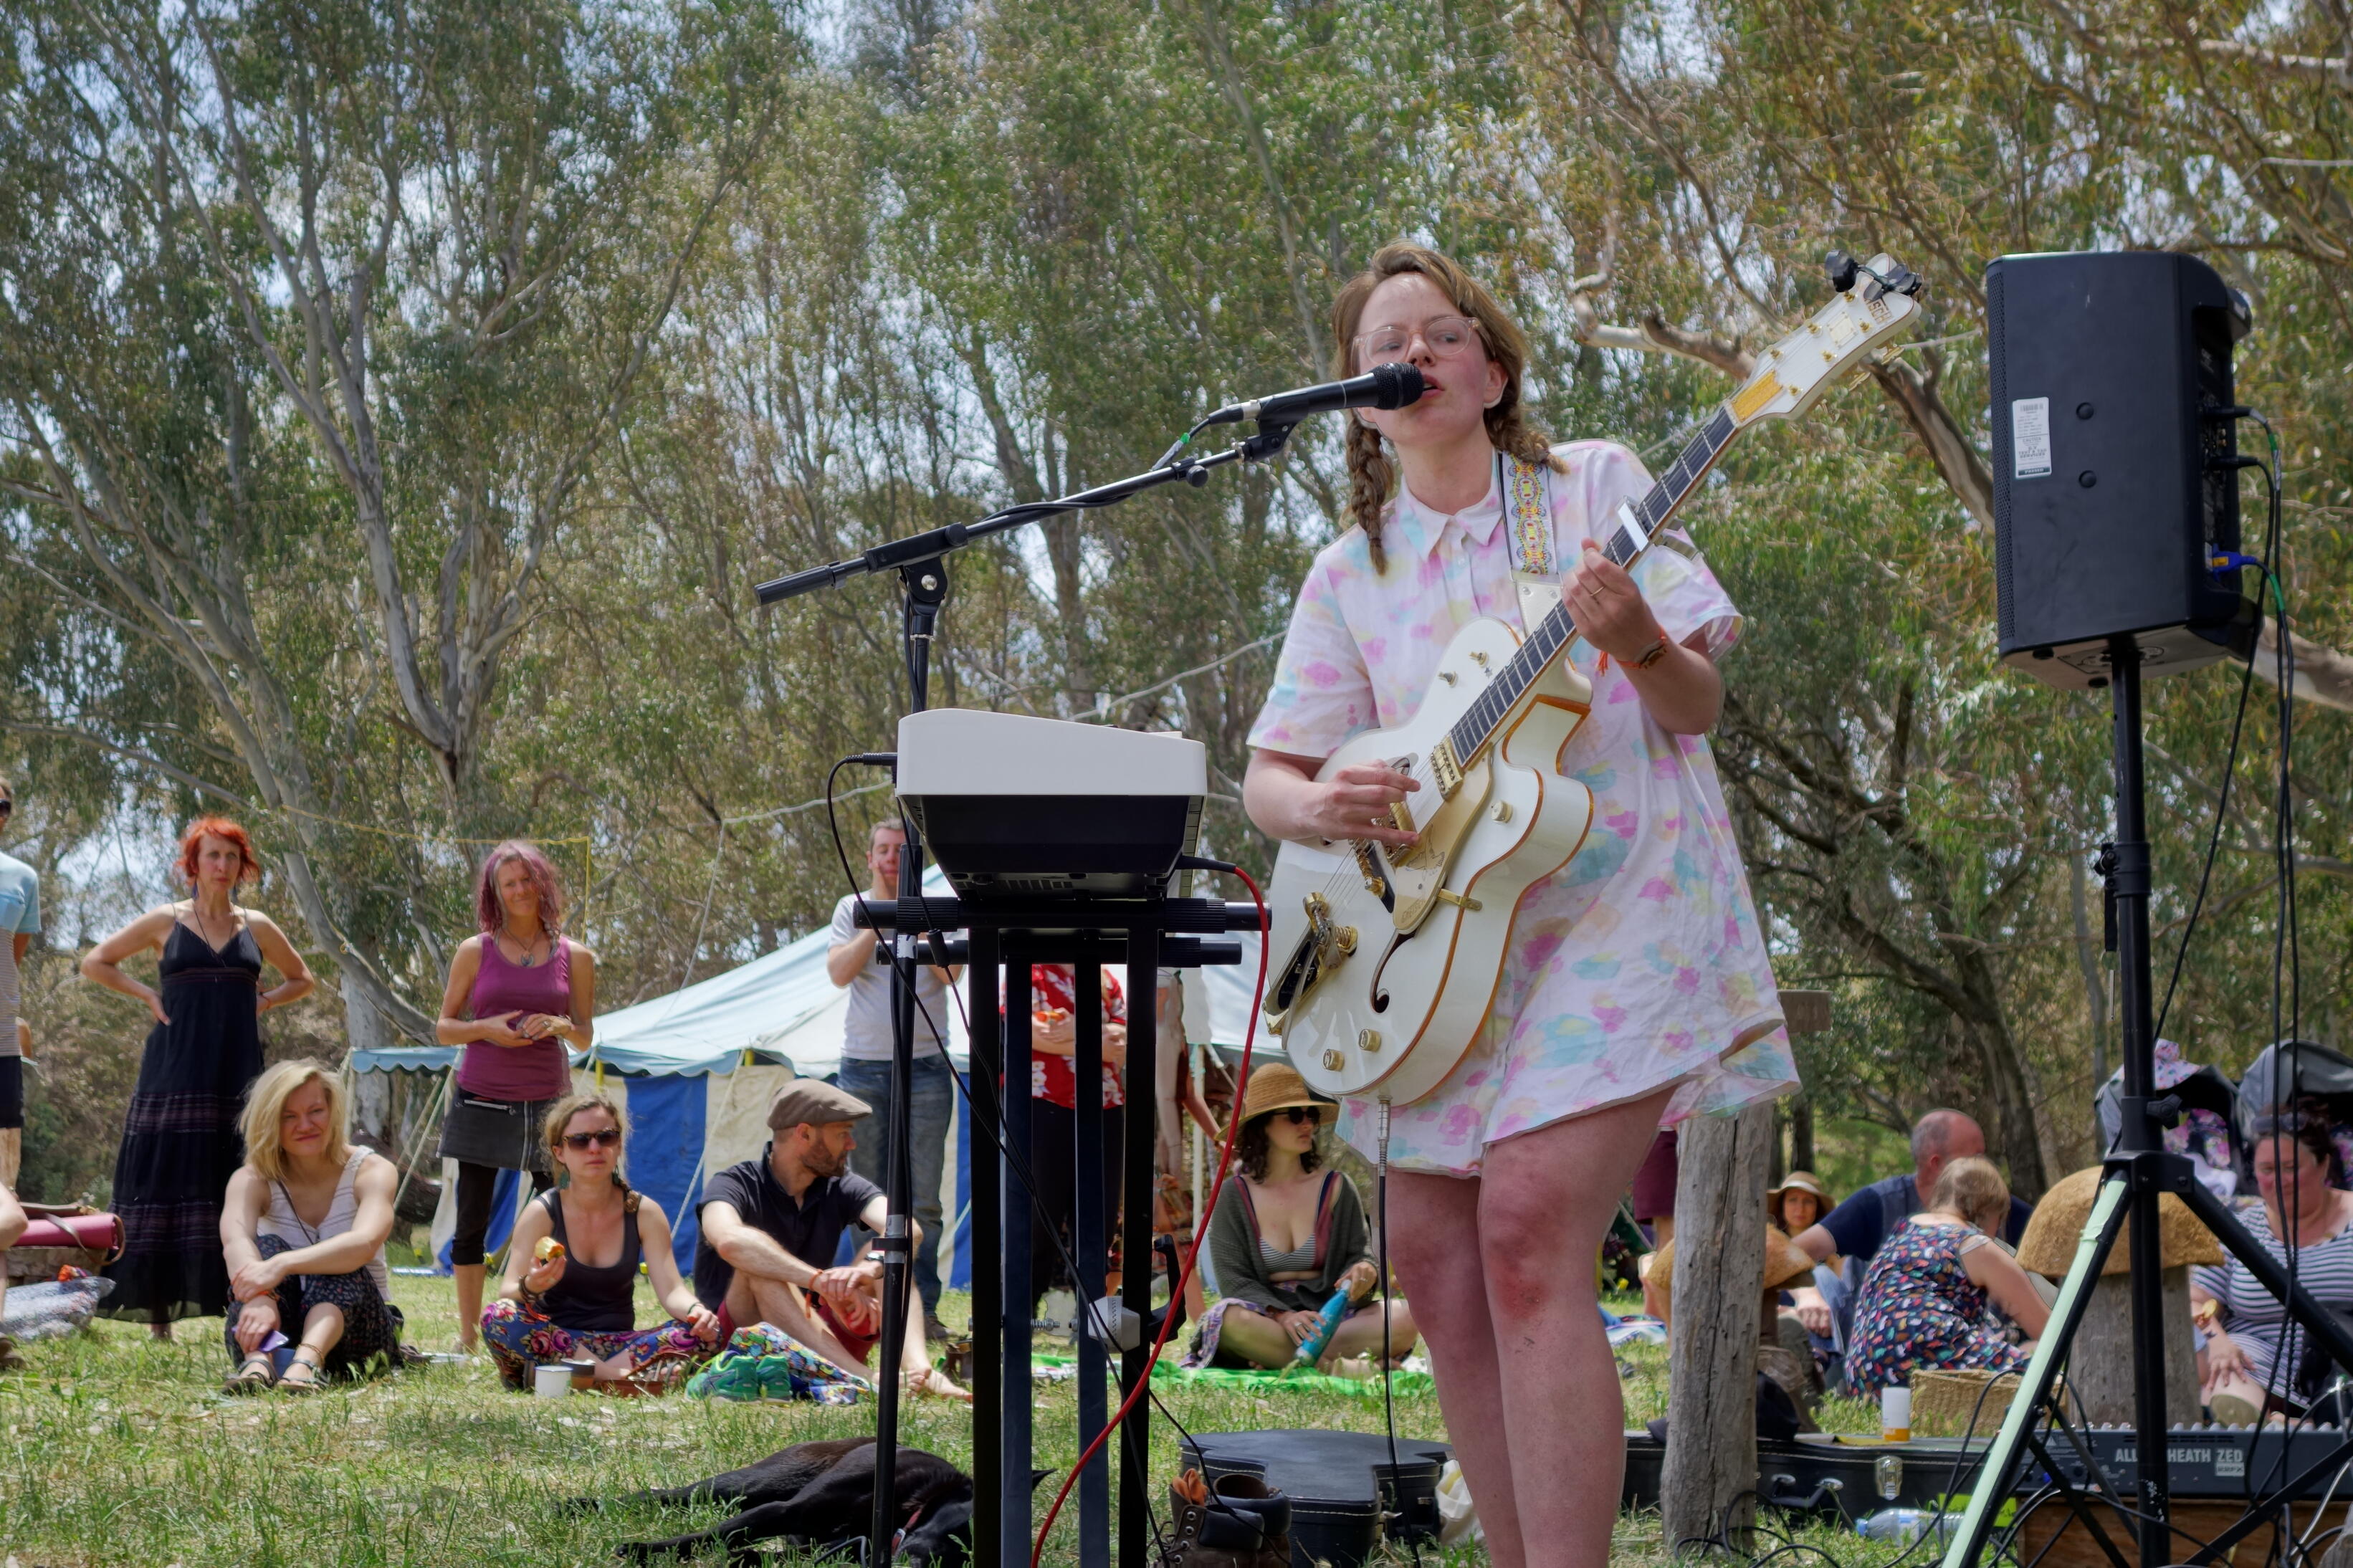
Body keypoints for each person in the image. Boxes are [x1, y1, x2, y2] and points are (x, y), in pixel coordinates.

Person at [1241, 242, 1795, 1568]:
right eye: (1386, 345)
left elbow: (1694, 705)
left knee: (1528, 1227)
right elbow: (1269, 776)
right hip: (1435, 953)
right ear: (1359, 399)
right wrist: (1321, 807)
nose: (1415, 355)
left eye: (1442, 333)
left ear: (1491, 371)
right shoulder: (1349, 570)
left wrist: (1634, 641)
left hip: (1614, 913)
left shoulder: (1588, 489)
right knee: (1437, 1267)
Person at [84, 818, 315, 1334]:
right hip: (173, 1067)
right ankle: (158, 1312)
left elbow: (303, 979)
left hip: (237, 1070)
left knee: (236, 1176)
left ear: (242, 865)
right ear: (193, 863)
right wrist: (147, 994)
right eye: (212, 855)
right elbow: (96, 962)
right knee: (165, 1177)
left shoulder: (257, 925)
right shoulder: (164, 921)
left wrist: (265, 1000)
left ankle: (246, 1298)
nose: (222, 866)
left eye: (232, 857)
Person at [692, 1079, 966, 1400]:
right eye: (842, 1133)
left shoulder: (840, 1185)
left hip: (817, 1337)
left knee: (889, 1253)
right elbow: (729, 1240)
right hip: (742, 1344)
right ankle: (864, 1378)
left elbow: (907, 1229)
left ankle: (920, 1371)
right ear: (804, 1134)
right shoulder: (733, 1183)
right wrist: (820, 1281)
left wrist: (867, 1270)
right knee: (758, 1270)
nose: (851, 1144)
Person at [434, 841, 596, 1351]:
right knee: (471, 1222)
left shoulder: (576, 955)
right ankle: (467, 1337)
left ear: (542, 884)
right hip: (481, 1097)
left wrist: (562, 1026)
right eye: (510, 883)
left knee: (558, 1219)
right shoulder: (474, 950)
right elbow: (444, 1027)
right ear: (496, 893)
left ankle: (548, 1325)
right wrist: (487, 1029)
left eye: (528, 880)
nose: (521, 890)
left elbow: (585, 1036)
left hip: (550, 1103)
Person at [481, 1094, 722, 1390]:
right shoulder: (541, 1213)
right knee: (499, 1317)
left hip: (621, 1345)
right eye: (580, 1141)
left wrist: (696, 1312)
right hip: (557, 1341)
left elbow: (672, 1290)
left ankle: (569, 1378)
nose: (595, 1148)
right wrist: (532, 1285)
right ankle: (622, 1379)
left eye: (606, 1137)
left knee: (703, 1334)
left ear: (619, 1145)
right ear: (560, 1152)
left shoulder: (644, 1212)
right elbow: (508, 1291)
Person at [1185, 1064, 1416, 1372]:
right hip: (1267, 1317)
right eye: (1295, 1115)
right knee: (1228, 1320)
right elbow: (1233, 1281)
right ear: (1262, 1125)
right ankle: (1343, 1369)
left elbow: (1359, 1254)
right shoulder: (1233, 1195)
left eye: (1311, 1115)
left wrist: (1364, 1270)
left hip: (1331, 1318)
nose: (1307, 1124)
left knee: (1405, 1316)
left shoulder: (1336, 1186)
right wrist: (1283, 1315)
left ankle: (1279, 1357)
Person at [825, 818, 959, 1344]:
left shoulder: (939, 907)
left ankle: (923, 1309)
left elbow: (952, 974)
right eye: (883, 850)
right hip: (863, 1067)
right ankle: (870, 1306)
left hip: (925, 1067)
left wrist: (917, 919)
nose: (890, 859)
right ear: (868, 858)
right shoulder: (851, 908)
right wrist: (876, 921)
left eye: (901, 852)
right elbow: (838, 973)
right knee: (865, 1197)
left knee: (923, 1199)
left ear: (917, 862)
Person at [219, 1059, 403, 1392]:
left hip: (358, 1338)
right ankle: (259, 1363)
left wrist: (280, 1266)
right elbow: (235, 1241)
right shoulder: (250, 1179)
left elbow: (364, 1243)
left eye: (316, 1111)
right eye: (289, 1116)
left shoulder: (373, 1170)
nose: (305, 1125)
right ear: (269, 1122)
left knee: (340, 1258)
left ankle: (307, 1363)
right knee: (265, 1248)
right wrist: (261, 1293)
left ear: (333, 1111)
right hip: (277, 1329)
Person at [1788, 1109, 2032, 1342]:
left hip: (1978, 1344)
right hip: (1885, 1345)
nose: (1987, 1167)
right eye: (1974, 1158)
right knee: (1820, 1277)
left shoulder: (2001, 1207)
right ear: (1936, 1164)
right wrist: (1807, 1295)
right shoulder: (1878, 1204)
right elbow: (1789, 1255)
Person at [2192, 1106, 2353, 1423]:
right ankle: (2274, 1427)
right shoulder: (2239, 1228)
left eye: (2292, 1168)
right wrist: (2217, 1340)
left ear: (2323, 1165)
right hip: (2252, 1362)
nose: (2280, 1181)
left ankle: (2297, 1429)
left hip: (2341, 1365)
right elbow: (2196, 1301)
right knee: (2225, 1394)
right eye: (2267, 1169)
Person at [1844, 1156, 2047, 1398]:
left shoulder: (1904, 1233)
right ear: (1989, 1210)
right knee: (2046, 1379)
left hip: (1865, 1371)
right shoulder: (1975, 1245)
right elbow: (2049, 1330)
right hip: (1925, 1353)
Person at [1018, 960, 1128, 1315]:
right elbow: (1027, 1031)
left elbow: (1124, 1039)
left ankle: (1091, 1318)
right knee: (1039, 1216)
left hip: (1104, 1105)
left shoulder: (1105, 977)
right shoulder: (1029, 971)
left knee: (1099, 1220)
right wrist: (1097, 1038)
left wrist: (1072, 1031)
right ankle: (1020, 1317)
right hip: (1045, 1103)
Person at [0, 775, 39, 1190]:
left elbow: (12, 958)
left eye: (2, 806)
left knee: (5, 1143)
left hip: (1, 1036)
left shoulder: (23, 878)